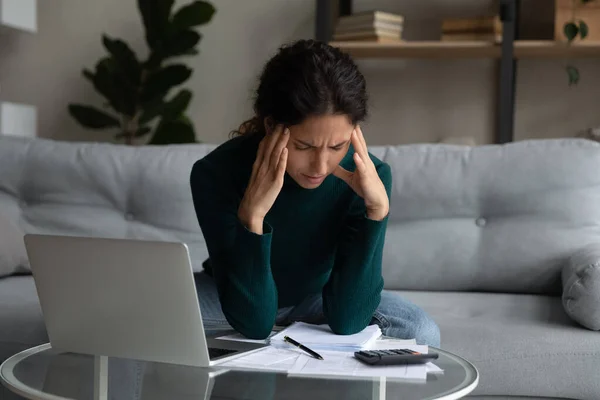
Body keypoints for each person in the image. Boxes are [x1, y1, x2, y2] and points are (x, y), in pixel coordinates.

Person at [190, 39, 440, 347]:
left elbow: (348, 319)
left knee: (420, 331)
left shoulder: (368, 179)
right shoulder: (216, 173)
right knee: (136, 319)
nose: (320, 166)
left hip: (319, 298)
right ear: (271, 126)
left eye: (337, 146)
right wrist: (252, 217)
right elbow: (254, 323)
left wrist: (375, 213)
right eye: (304, 146)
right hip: (230, 293)